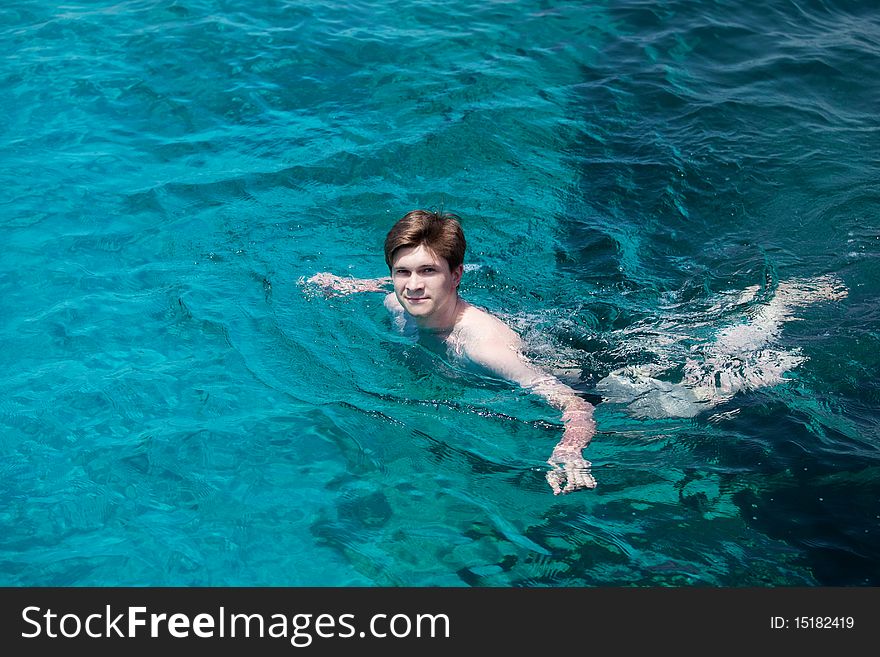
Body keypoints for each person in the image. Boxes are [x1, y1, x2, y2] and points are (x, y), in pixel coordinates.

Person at [306, 209, 597, 495]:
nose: (413, 286)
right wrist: (354, 286)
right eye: (402, 272)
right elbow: (395, 287)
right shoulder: (397, 306)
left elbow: (576, 405)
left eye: (428, 271)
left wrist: (570, 449)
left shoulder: (482, 349)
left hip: (584, 377)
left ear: (456, 276)